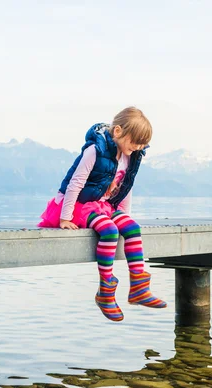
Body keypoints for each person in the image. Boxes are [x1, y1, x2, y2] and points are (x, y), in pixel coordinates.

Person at [38, 106, 166, 321]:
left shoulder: (129, 155)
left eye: (141, 145)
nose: (137, 148)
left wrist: (125, 215)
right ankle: (105, 293)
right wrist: (65, 217)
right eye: (135, 142)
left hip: (105, 205)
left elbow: (126, 186)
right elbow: (74, 184)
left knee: (132, 228)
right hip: (78, 204)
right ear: (118, 132)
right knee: (109, 230)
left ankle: (138, 288)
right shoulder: (94, 151)